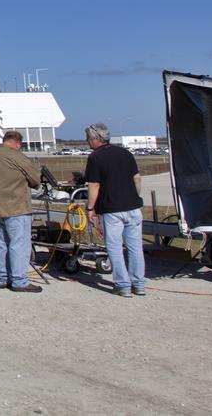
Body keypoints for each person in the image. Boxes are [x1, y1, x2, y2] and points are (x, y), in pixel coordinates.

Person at [84, 123, 146, 297]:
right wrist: (134, 197)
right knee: (135, 247)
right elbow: (137, 178)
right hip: (133, 206)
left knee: (115, 247)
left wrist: (91, 208)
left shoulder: (96, 157)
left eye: (89, 139)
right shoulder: (126, 153)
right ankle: (138, 283)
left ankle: (123, 284)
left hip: (112, 209)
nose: (88, 142)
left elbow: (94, 185)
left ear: (96, 139)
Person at [0, 130, 42, 293]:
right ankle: (19, 280)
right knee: (19, 244)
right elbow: (35, 179)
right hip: (16, 207)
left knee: (2, 244)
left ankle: (1, 278)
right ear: (17, 143)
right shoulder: (17, 156)